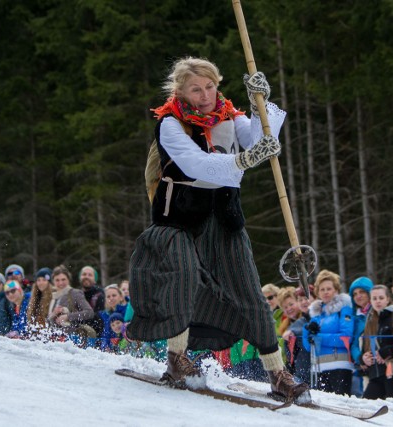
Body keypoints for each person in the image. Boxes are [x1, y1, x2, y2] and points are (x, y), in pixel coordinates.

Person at [127, 57, 307, 401]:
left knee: (250, 291)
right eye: (196, 89)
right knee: (184, 275)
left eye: (210, 86)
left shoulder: (229, 115)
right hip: (178, 220)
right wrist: (242, 160)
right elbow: (196, 163)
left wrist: (260, 105)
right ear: (181, 91)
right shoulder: (170, 124)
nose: (205, 94)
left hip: (224, 218)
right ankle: (177, 358)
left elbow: (259, 137)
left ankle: (277, 373)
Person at [303, 269, 354, 395]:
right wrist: (306, 331)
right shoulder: (316, 314)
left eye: (329, 289)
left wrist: (319, 337)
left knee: (341, 406)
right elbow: (309, 347)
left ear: (336, 290)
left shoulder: (344, 309)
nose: (326, 292)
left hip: (339, 365)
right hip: (319, 368)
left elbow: (346, 339)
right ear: (318, 292)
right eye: (322, 289)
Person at [360, 285, 393, 399]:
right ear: (370, 301)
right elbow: (365, 347)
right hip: (375, 374)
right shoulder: (370, 319)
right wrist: (363, 358)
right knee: (366, 403)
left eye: (381, 298)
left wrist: (386, 351)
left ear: (387, 299)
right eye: (374, 298)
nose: (378, 301)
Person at [47, 265, 95, 337]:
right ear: (53, 281)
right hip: (56, 337)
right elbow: (49, 322)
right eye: (57, 280)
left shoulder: (74, 293)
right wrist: (53, 314)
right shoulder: (53, 297)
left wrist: (68, 316)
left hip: (73, 337)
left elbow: (89, 312)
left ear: (68, 280)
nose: (60, 283)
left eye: (63, 279)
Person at [348, 276, 374, 397]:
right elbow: (352, 343)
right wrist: (360, 358)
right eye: (355, 294)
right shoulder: (354, 317)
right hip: (363, 366)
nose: (358, 296)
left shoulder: (378, 311)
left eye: (362, 292)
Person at [278, 287, 310, 383]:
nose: (289, 309)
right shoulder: (285, 328)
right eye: (285, 307)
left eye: (291, 304)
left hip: (309, 370)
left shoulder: (307, 319)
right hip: (297, 371)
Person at [26, 267, 54, 334]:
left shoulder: (53, 296)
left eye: (44, 280)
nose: (41, 283)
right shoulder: (34, 298)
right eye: (38, 280)